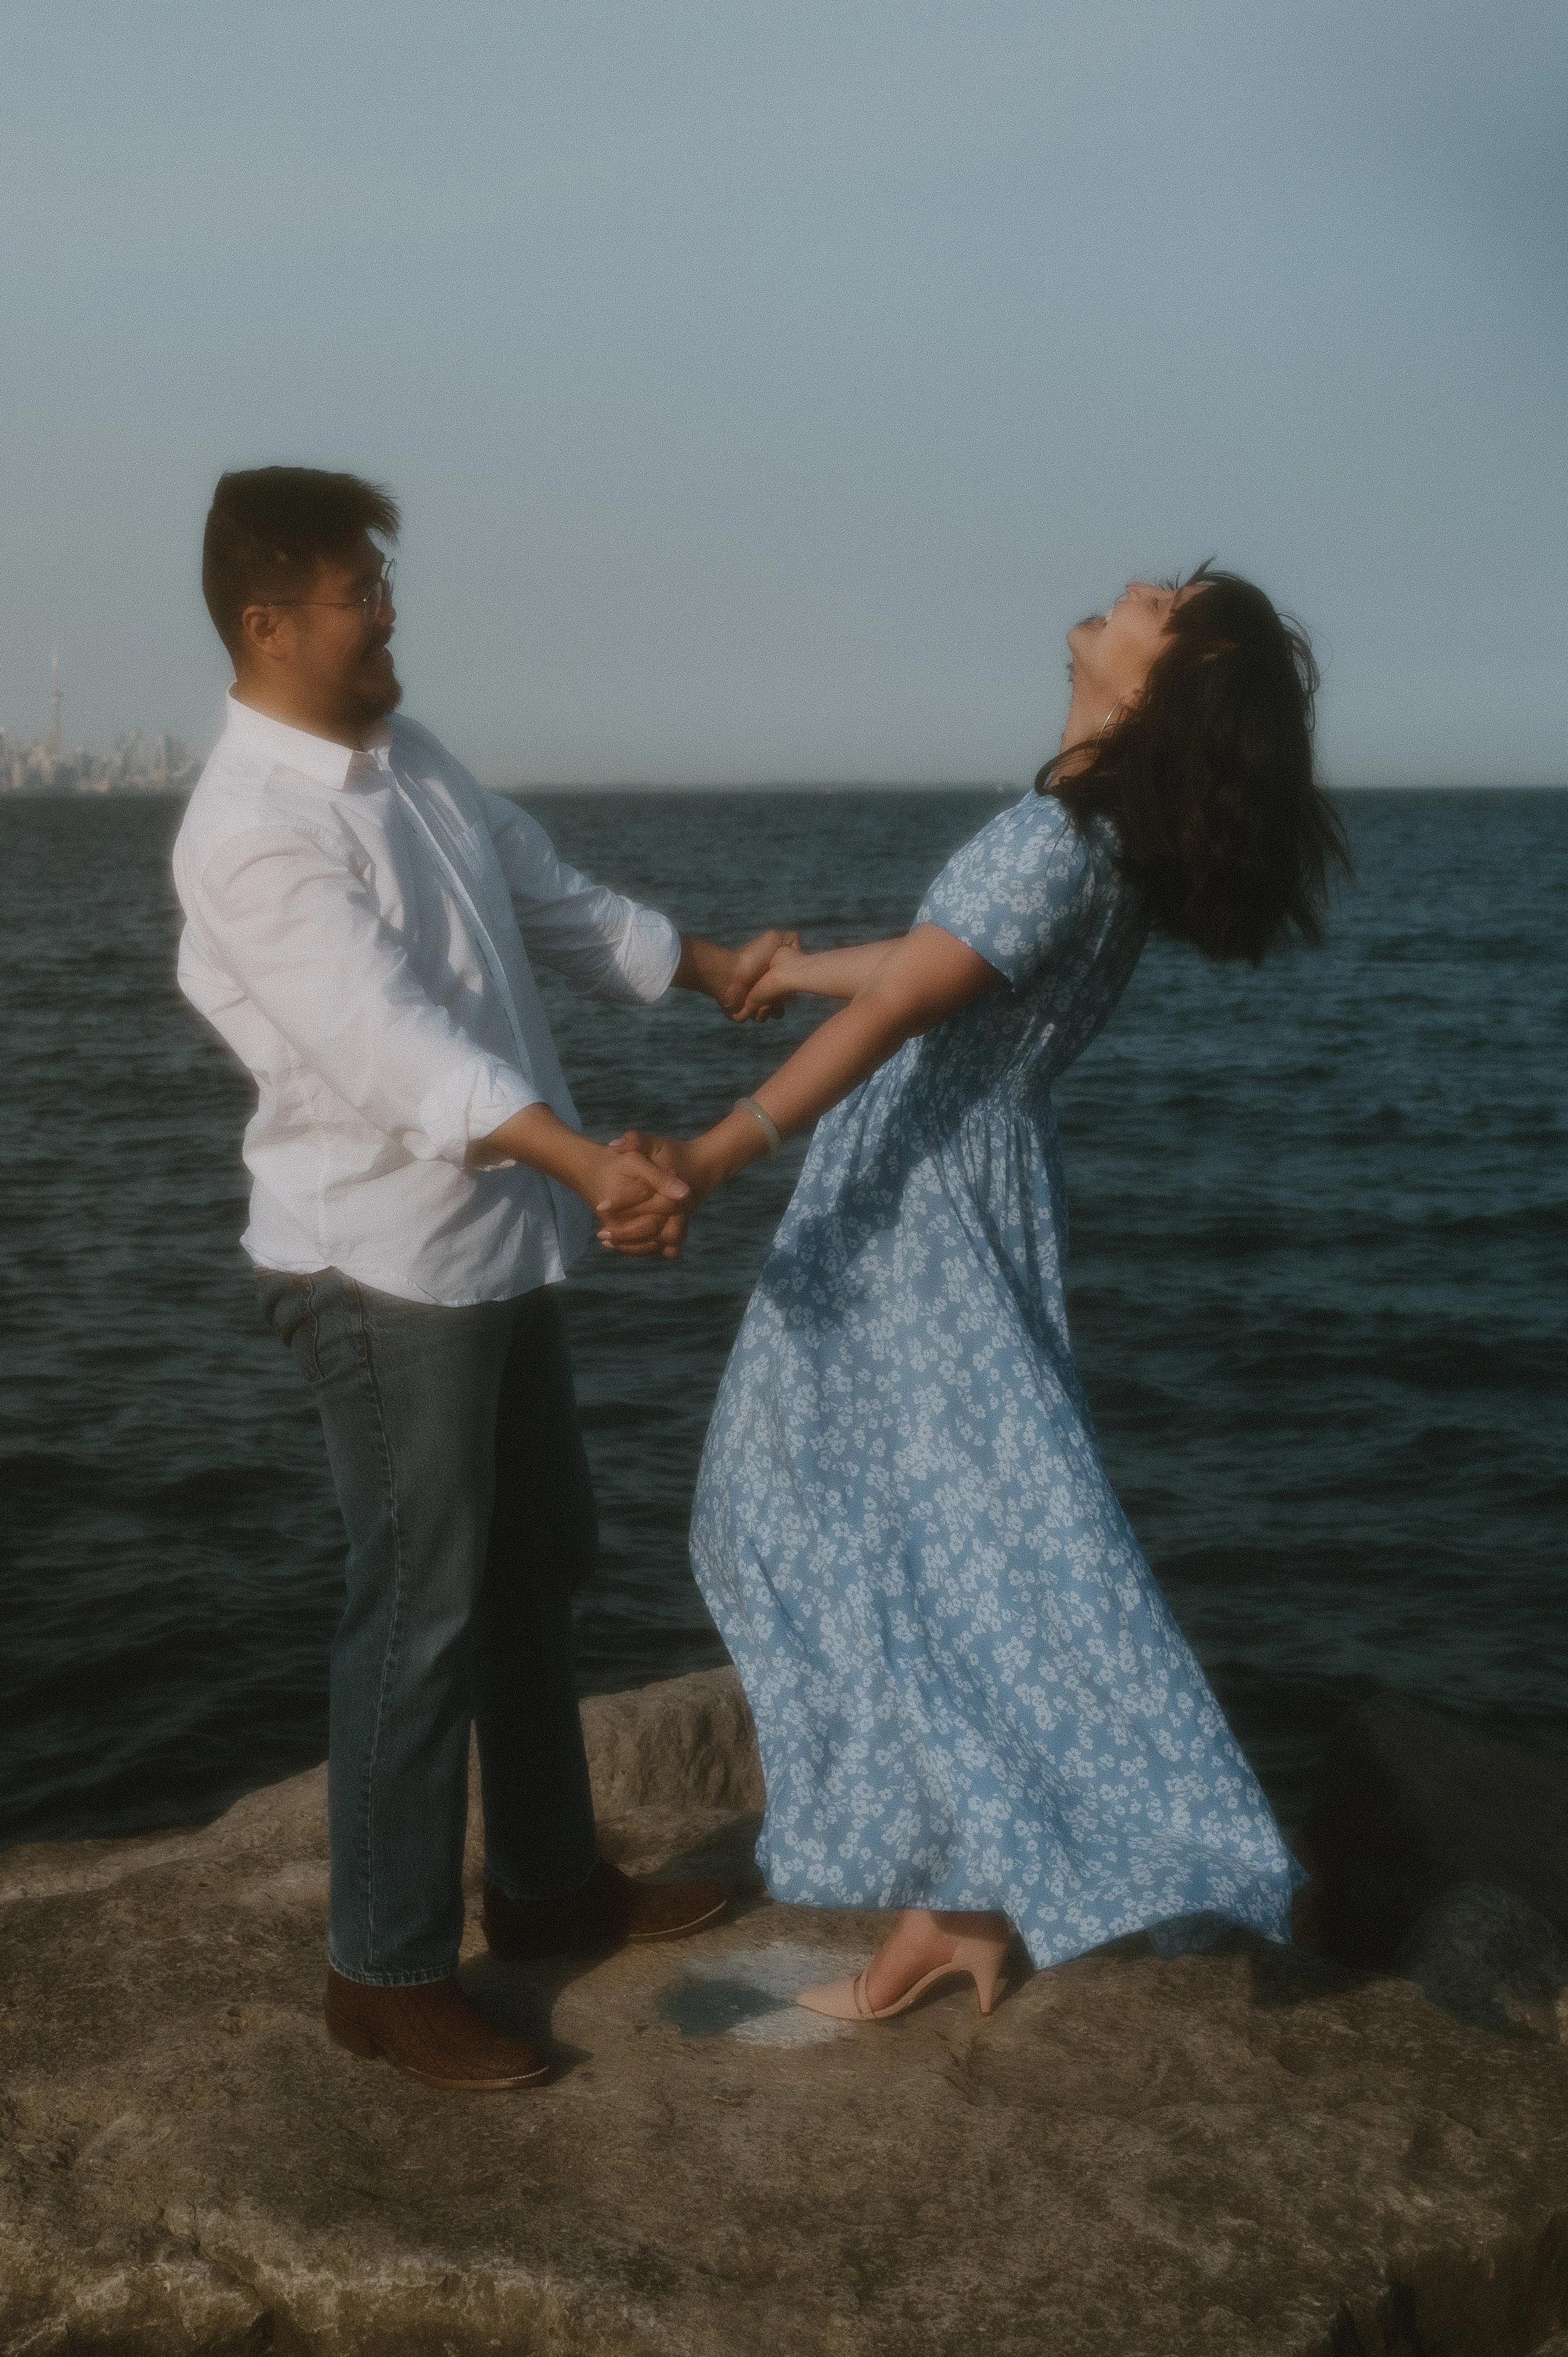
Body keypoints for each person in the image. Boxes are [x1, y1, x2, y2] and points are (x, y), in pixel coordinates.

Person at [601, 567, 1350, 2021]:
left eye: (1165, 602)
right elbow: (933, 961)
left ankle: (1009, 1883)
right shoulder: (1090, 842)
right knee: (946, 1530)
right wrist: (780, 971)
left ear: (1161, 685)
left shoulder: (1057, 836)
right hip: (959, 1191)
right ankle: (963, 1906)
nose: (1131, 587)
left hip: (919, 1210)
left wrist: (707, 1152)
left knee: (847, 1517)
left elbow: (906, 1006)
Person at [173, 466, 795, 2090]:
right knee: (422, 1597)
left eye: (383, 581)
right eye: (358, 589)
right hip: (379, 1266)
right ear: (267, 620)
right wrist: (594, 1165)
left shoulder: (403, 754)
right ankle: (380, 1968)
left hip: (489, 1244)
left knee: (537, 1557)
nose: (388, 610)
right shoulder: (250, 830)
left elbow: (537, 885)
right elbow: (396, 1046)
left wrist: (709, 963)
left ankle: (544, 1880)